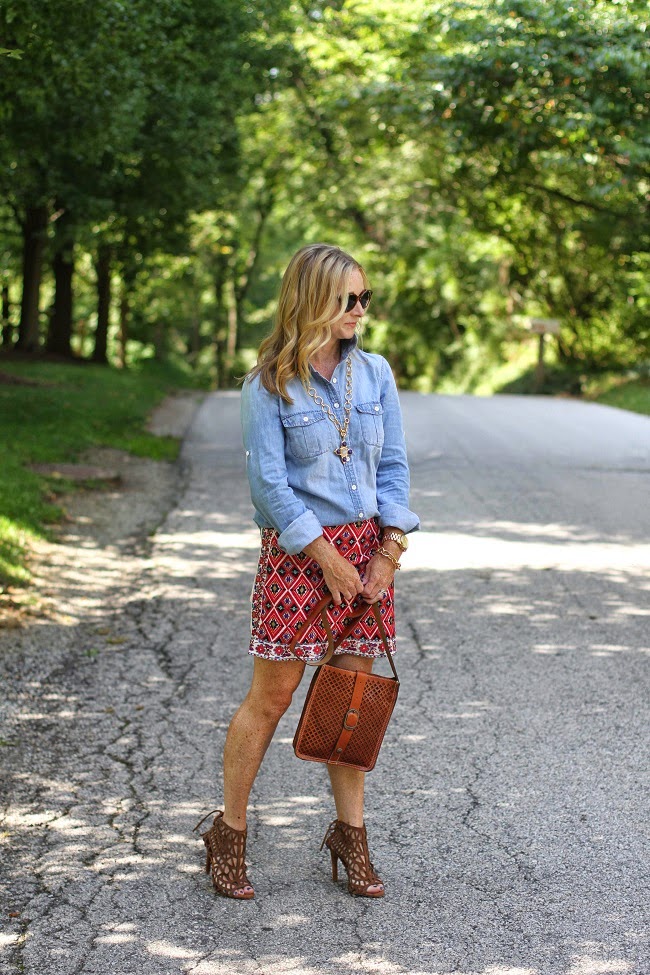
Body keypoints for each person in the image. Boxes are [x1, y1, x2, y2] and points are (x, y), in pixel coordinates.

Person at [194, 243, 419, 900]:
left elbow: (395, 470)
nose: (359, 309)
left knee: (349, 703)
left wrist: (387, 552)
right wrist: (327, 558)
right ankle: (229, 831)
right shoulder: (268, 384)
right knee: (272, 698)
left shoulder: (375, 374)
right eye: (348, 298)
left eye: (365, 298)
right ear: (312, 298)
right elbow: (269, 488)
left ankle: (350, 835)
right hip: (300, 559)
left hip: (369, 561)